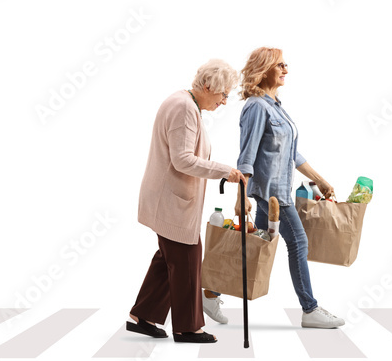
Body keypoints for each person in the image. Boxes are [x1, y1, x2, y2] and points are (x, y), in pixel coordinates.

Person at [128, 59, 246, 343]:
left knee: (168, 259)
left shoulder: (185, 103)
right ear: (208, 86)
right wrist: (225, 171)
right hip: (171, 201)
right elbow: (182, 160)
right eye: (223, 94)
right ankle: (188, 327)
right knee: (188, 260)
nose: (225, 101)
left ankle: (143, 315)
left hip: (169, 198)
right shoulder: (183, 108)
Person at [235, 47, 345, 328]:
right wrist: (241, 195)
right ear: (264, 69)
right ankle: (310, 309)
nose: (286, 70)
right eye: (280, 65)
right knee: (298, 242)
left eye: (286, 65)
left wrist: (319, 179)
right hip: (270, 194)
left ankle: (210, 292)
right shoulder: (256, 106)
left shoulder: (275, 107)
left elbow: (290, 154)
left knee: (256, 248)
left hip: (280, 189)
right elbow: (246, 156)